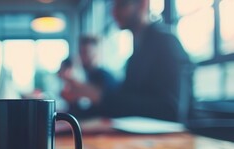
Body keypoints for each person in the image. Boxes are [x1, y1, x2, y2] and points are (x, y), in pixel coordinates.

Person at [62, 0, 193, 122]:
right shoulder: (136, 54)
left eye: (122, 4)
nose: (114, 12)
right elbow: (123, 105)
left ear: (142, 4)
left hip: (171, 141)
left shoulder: (167, 42)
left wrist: (99, 96)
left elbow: (171, 110)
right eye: (114, 6)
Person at [61, 35, 117, 118]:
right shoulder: (88, 75)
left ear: (96, 53)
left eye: (87, 52)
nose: (83, 57)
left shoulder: (105, 77)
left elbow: (108, 107)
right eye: (81, 53)